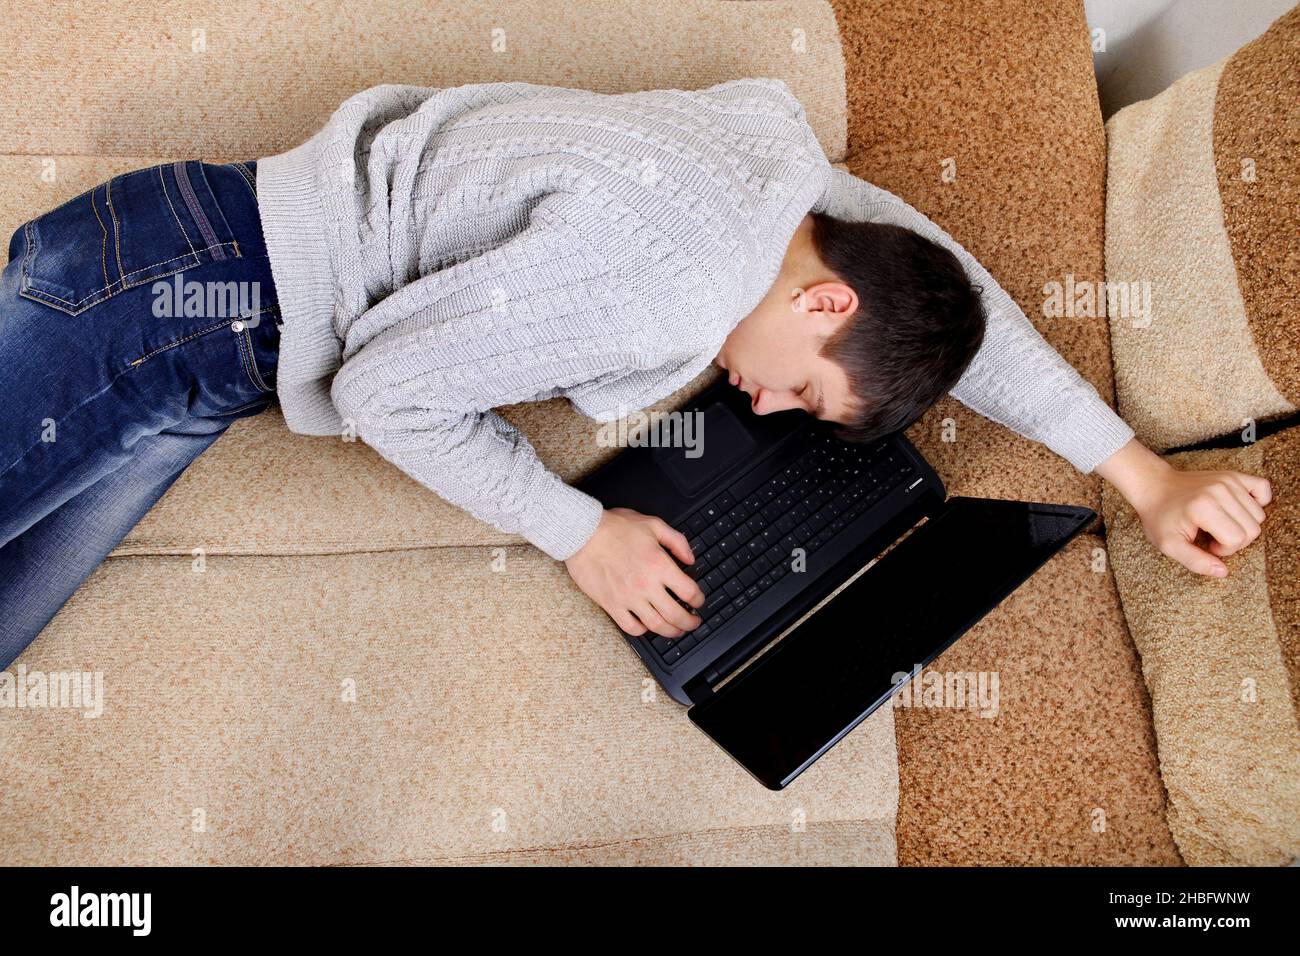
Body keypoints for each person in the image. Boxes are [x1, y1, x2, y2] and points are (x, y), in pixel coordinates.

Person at [0, 78, 1271, 665]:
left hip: (188, 300)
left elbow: (945, 287)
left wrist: (1139, 473)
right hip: (172, 309)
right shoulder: (662, 283)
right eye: (802, 390)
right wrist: (579, 530)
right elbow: (393, 392)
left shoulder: (771, 168)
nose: (758, 404)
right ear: (827, 297)